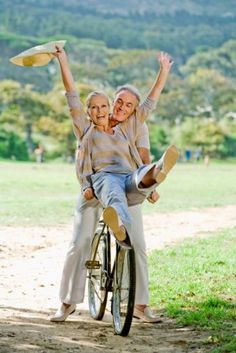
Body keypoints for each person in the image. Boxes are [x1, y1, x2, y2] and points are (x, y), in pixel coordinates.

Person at [50, 48, 176, 323]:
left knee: (138, 244)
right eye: (117, 102)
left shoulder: (132, 125)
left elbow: (145, 139)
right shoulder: (87, 127)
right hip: (95, 187)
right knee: (80, 241)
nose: (119, 108)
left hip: (128, 184)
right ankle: (68, 301)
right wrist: (63, 59)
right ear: (109, 102)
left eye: (126, 105)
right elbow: (72, 95)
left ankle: (140, 305)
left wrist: (164, 72)